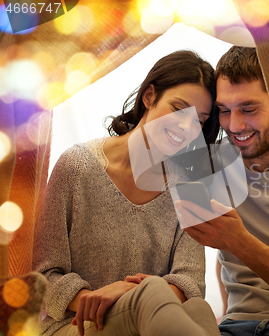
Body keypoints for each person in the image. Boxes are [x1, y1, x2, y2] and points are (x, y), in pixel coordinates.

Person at [33, 50, 221, 336]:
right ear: (149, 96)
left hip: (152, 323)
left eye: (199, 120)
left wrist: (130, 293)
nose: (187, 128)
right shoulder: (77, 166)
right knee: (153, 292)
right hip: (76, 325)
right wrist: (111, 300)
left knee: (198, 309)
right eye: (178, 109)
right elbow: (45, 276)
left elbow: (191, 283)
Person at [177, 46, 269, 335]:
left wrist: (238, 241)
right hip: (236, 327)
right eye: (224, 111)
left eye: (248, 109)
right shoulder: (211, 164)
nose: (234, 125)